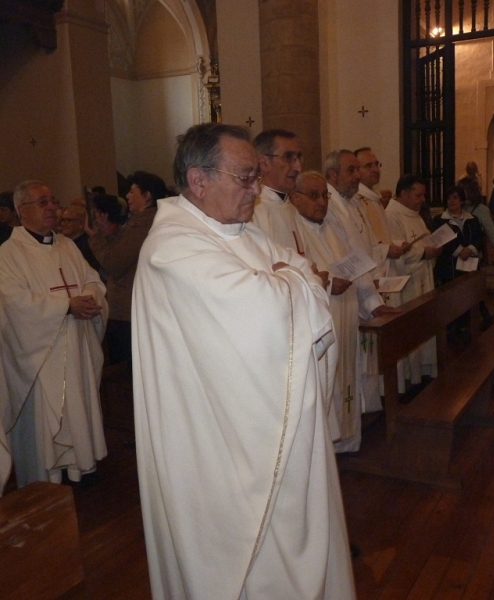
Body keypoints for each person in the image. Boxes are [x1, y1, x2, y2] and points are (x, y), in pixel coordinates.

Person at [132, 123, 355, 600]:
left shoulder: (240, 233)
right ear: (198, 180)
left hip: (271, 426)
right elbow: (270, 307)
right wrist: (292, 281)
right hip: (221, 447)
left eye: (256, 177)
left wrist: (290, 281)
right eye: (246, 177)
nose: (257, 188)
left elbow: (301, 276)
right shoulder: (173, 248)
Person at [0, 180, 108, 486]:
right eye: (42, 203)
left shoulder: (67, 245)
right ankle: (46, 477)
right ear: (22, 212)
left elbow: (92, 280)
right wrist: (65, 306)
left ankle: (79, 467)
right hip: (40, 355)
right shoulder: (8, 254)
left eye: (52, 201)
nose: (52, 208)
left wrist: (89, 298)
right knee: (45, 421)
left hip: (75, 345)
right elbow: (11, 302)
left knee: (77, 407)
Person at [291, 171, 394, 452]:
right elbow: (294, 283)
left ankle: (347, 441)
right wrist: (326, 286)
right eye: (314, 196)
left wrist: (373, 305)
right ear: (295, 198)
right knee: (328, 387)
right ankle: (326, 452)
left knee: (346, 382)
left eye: (324, 195)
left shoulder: (332, 227)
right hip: (323, 325)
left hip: (346, 317)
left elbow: (357, 269)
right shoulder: (293, 233)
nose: (322, 202)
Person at [87, 171, 166, 364]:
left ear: (147, 196)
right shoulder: (142, 220)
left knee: (124, 374)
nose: (127, 197)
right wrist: (108, 234)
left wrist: (95, 237)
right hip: (131, 307)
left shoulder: (145, 223)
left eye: (132, 192)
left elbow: (115, 263)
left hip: (129, 310)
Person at [386, 174, 440, 390]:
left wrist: (435, 249)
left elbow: (425, 242)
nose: (422, 200)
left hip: (423, 277)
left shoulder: (416, 215)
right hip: (407, 283)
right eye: (418, 195)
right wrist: (423, 252)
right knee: (411, 332)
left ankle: (423, 373)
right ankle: (410, 378)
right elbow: (396, 250)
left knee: (424, 329)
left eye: (423, 195)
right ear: (405, 193)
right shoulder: (391, 216)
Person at [251, 128, 306, 252]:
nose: (298, 167)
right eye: (288, 157)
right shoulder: (254, 211)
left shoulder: (290, 206)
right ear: (264, 163)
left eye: (298, 157)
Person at [354, 146, 404, 262]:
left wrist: (398, 244)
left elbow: (381, 236)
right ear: (356, 171)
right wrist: (386, 250)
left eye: (376, 164)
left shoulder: (374, 198)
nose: (375, 169)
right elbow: (360, 241)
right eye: (368, 166)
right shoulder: (356, 200)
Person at [431, 186, 484, 285]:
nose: (451, 201)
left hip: (470, 263)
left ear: (462, 200)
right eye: (449, 198)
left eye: (455, 197)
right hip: (448, 267)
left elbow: (479, 237)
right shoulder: (439, 220)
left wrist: (470, 249)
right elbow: (439, 240)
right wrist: (460, 251)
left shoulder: (472, 219)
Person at [60, 204, 103, 274]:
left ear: (81, 224)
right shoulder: (62, 242)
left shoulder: (88, 245)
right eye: (62, 220)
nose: (63, 223)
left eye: (68, 220)